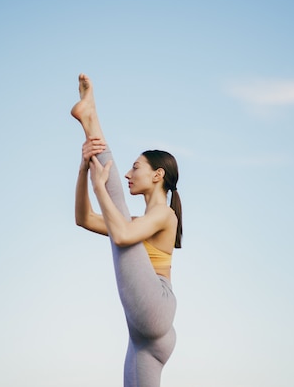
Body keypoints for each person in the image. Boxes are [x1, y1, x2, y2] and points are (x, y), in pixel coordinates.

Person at [71, 73, 182, 387]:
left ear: (158, 175)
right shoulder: (137, 224)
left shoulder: (164, 215)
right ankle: (89, 118)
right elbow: (85, 218)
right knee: (117, 213)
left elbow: (119, 234)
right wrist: (84, 171)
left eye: (136, 167)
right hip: (145, 335)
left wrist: (101, 187)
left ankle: (90, 118)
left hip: (156, 305)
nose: (130, 173)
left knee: (116, 205)